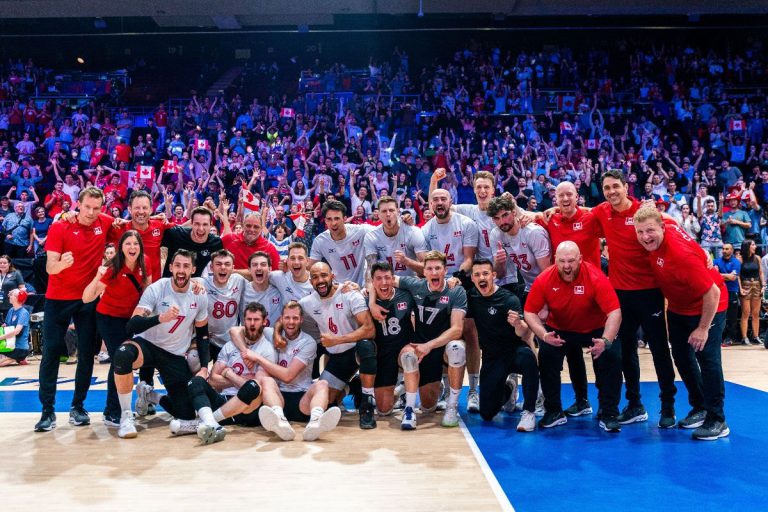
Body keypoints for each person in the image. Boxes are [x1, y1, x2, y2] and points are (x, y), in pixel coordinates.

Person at [633, 207, 731, 440]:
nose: (645, 236)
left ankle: (717, 419)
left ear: (662, 228)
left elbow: (712, 293)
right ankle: (700, 406)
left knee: (707, 360)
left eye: (650, 231)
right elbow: (665, 216)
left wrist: (703, 328)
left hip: (709, 307)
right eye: (640, 232)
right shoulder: (667, 224)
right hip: (679, 308)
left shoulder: (680, 255)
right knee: (682, 357)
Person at [592, 169, 678, 428]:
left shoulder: (642, 211)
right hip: (620, 295)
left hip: (650, 292)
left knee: (660, 350)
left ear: (626, 186)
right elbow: (578, 211)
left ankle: (668, 408)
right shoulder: (603, 211)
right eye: (607, 188)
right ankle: (635, 404)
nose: (611, 192)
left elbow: (670, 227)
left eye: (615, 186)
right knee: (627, 351)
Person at [36, 187, 115, 433]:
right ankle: (47, 412)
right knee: (50, 353)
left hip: (87, 299)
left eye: (96, 208)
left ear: (102, 207)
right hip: (58, 299)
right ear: (78, 204)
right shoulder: (60, 226)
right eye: (87, 207)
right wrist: (62, 264)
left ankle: (77, 406)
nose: (91, 213)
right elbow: (49, 268)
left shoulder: (105, 222)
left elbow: (129, 222)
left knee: (86, 354)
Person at [523, 242, 624, 432]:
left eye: (571, 261)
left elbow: (614, 311)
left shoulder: (595, 277)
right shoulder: (545, 278)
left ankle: (609, 412)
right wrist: (544, 335)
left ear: (580, 259)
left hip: (595, 328)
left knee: (612, 356)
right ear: (555, 261)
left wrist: (606, 340)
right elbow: (529, 312)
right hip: (560, 328)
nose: (566, 266)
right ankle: (553, 410)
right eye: (562, 261)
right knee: (546, 356)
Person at [111, 249, 210, 439]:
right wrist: (160, 318)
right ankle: (125, 416)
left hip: (174, 354)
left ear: (193, 270)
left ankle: (150, 395)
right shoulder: (157, 288)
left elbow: (203, 335)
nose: (181, 270)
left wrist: (205, 367)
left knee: (186, 414)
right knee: (123, 354)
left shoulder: (199, 294)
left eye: (186, 266)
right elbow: (132, 324)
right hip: (148, 344)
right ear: (171, 267)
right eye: (178, 265)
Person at [372, 251, 468, 427]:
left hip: (441, 346)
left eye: (438, 268)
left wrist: (430, 345)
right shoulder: (416, 285)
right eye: (429, 268)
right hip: (420, 346)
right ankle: (409, 409)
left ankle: (452, 406)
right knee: (418, 406)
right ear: (424, 272)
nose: (434, 272)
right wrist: (371, 302)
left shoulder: (456, 291)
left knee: (457, 348)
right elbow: (381, 281)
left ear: (445, 270)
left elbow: (457, 329)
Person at [290, 261, 377, 429]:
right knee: (325, 404)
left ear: (332, 276)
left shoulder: (350, 294)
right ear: (310, 282)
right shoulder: (308, 302)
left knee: (366, 345)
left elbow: (370, 330)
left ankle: (367, 403)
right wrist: (278, 332)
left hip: (355, 351)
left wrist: (337, 340)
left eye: (324, 275)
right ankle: (350, 387)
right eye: (315, 277)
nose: (320, 280)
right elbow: (289, 313)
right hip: (338, 358)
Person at [244, 301, 342, 441]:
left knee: (323, 384)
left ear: (301, 320)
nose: (291, 322)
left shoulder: (308, 342)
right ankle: (280, 421)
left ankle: (315, 423)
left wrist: (258, 358)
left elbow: (288, 376)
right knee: (266, 381)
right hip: (278, 398)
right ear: (281, 319)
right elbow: (235, 331)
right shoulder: (269, 333)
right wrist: (245, 351)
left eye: (295, 318)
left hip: (302, 399)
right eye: (287, 318)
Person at [82, 230, 148, 427]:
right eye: (127, 244)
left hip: (131, 319)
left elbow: (147, 289)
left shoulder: (145, 262)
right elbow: (87, 298)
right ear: (121, 247)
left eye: (135, 244)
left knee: (126, 362)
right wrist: (96, 277)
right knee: (119, 361)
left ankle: (119, 409)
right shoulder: (112, 269)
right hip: (109, 319)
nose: (132, 248)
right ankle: (112, 412)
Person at [421, 188, 479, 412]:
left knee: (470, 332)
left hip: (462, 282)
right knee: (444, 334)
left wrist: (455, 278)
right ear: (431, 204)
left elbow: (468, 258)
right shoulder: (426, 230)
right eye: (435, 199)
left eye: (443, 198)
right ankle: (447, 389)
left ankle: (473, 390)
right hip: (438, 285)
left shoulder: (465, 224)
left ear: (450, 201)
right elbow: (427, 262)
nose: (439, 202)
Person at [185, 302, 273, 444]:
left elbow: (256, 388)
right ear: (243, 321)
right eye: (249, 319)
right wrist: (238, 380)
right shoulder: (230, 346)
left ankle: (205, 422)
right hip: (224, 401)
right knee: (196, 381)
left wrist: (229, 374)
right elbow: (213, 380)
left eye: (256, 320)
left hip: (247, 409)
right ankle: (210, 422)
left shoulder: (267, 350)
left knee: (252, 387)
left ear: (264, 322)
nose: (252, 323)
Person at [467, 259, 539, 432]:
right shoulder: (471, 297)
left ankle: (529, 412)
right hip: (492, 357)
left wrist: (518, 325)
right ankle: (508, 388)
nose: (481, 277)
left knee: (528, 358)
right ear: (472, 278)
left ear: (493, 276)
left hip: (514, 351)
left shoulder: (509, 299)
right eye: (477, 274)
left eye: (485, 273)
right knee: (487, 413)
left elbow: (524, 333)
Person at [367, 262, 417, 428]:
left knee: (409, 357)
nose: (384, 282)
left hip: (405, 349)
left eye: (387, 277)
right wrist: (371, 302)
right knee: (383, 410)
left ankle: (409, 410)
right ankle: (401, 389)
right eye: (379, 279)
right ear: (372, 282)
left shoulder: (406, 294)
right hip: (384, 354)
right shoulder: (365, 299)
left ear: (393, 278)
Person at [110, 190, 170, 284]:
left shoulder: (159, 225)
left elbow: (185, 228)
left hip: (152, 290)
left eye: (145, 208)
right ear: (129, 209)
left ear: (151, 210)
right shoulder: (118, 227)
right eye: (137, 208)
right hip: (127, 290)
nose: (141, 211)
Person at [309, 200, 372, 287]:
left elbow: (382, 231)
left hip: (363, 287)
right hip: (339, 288)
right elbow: (311, 268)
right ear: (325, 221)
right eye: (329, 219)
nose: (333, 223)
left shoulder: (360, 231)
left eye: (337, 218)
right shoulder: (320, 241)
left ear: (345, 219)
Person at [201, 249, 248, 363]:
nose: (223, 267)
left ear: (233, 268)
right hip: (208, 339)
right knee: (194, 360)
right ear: (211, 268)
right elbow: (188, 281)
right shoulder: (203, 283)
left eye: (227, 264)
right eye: (218, 264)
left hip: (230, 339)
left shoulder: (239, 280)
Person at [363, 196, 427, 277]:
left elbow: (427, 268)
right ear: (378, 215)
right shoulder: (371, 236)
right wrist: (369, 289)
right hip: (385, 285)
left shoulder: (413, 232)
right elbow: (370, 270)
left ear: (398, 212)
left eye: (391, 210)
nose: (388, 214)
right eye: (384, 211)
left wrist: (406, 261)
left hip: (410, 285)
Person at [161, 206, 223, 278]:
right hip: (170, 285)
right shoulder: (175, 234)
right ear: (191, 224)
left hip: (198, 286)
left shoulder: (216, 242)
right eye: (197, 224)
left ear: (211, 225)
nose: (201, 229)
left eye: (205, 224)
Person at [241, 252, 283, 327]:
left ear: (270, 269)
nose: (259, 268)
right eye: (254, 265)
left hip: (273, 337)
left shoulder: (279, 289)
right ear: (249, 270)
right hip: (249, 337)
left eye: (263, 264)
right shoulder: (241, 290)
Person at [713, 243, 741, 346]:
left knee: (732, 316)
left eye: (727, 249)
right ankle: (719, 337)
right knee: (719, 316)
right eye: (723, 249)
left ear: (732, 250)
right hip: (719, 291)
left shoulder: (736, 262)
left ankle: (730, 338)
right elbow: (712, 274)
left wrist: (719, 274)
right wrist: (726, 276)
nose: (724, 250)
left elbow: (733, 277)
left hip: (732, 291)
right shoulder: (716, 261)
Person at [737, 239, 764, 345]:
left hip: (757, 285)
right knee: (745, 313)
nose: (755, 246)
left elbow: (761, 273)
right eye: (753, 244)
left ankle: (756, 336)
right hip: (745, 285)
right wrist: (740, 288)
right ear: (747, 246)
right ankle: (744, 337)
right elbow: (738, 276)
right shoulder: (740, 259)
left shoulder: (757, 258)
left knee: (756, 313)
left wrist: (763, 286)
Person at [0, 289, 30, 367]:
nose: (9, 296)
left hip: (20, 348)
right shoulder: (11, 310)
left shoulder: (24, 313)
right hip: (10, 345)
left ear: (17, 298)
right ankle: (19, 358)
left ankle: (20, 357)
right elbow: (7, 325)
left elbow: (17, 331)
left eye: (12, 295)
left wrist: (1, 337)